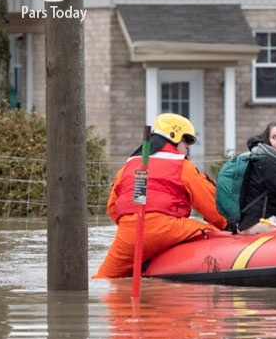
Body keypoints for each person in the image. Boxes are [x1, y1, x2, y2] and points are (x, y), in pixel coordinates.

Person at [94, 113, 228, 278]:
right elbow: (210, 204)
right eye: (186, 141)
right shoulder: (182, 166)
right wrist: (226, 225)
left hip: (129, 234)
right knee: (213, 233)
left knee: (104, 277)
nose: (187, 147)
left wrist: (132, 226)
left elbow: (113, 208)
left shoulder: (128, 166)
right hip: (167, 228)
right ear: (174, 137)